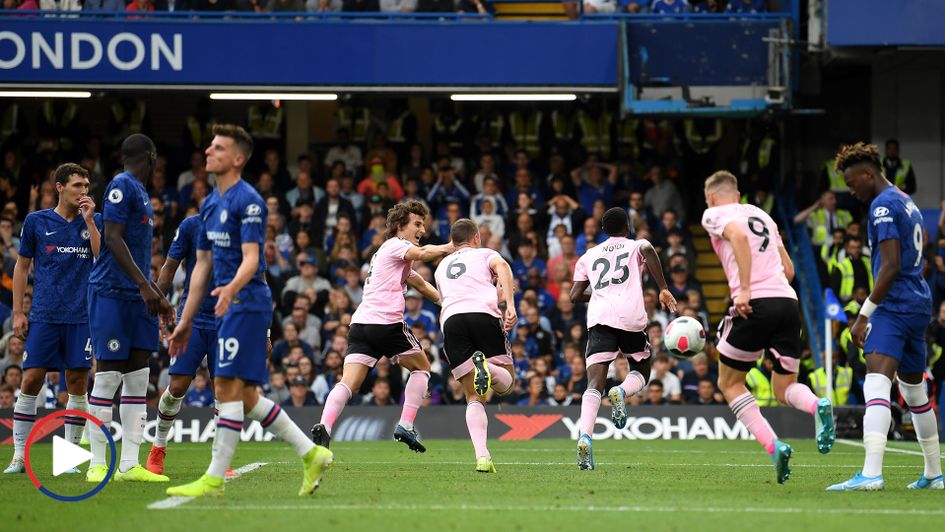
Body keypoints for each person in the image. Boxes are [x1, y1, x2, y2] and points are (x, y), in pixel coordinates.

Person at [165, 124, 332, 498]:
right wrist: (185, 320)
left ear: (237, 159)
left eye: (219, 148)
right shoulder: (208, 205)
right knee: (246, 397)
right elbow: (202, 268)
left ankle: (213, 477)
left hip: (247, 302)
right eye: (210, 145)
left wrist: (232, 290)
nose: (209, 151)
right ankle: (311, 453)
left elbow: (252, 259)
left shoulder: (249, 201)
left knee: (225, 387)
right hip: (226, 303)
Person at [702, 170, 834, 485]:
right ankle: (817, 404)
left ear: (711, 197)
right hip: (787, 303)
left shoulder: (714, 214)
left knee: (730, 382)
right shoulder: (762, 215)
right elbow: (788, 269)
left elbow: (736, 236)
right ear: (738, 193)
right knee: (784, 388)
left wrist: (745, 288)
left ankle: (773, 445)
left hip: (754, 304)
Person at [827, 143, 942, 491]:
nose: (851, 191)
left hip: (893, 306)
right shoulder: (906, 200)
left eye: (851, 183)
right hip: (918, 302)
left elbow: (890, 266)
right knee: (914, 391)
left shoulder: (882, 207)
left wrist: (863, 316)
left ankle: (872, 473)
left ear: (867, 174)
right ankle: (934, 474)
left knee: (876, 382)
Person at [312, 200, 453, 453]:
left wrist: (448, 303)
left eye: (423, 224)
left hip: (361, 326)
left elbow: (421, 284)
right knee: (422, 368)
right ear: (400, 227)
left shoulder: (386, 255)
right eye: (417, 224)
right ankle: (406, 424)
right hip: (386, 324)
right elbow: (422, 255)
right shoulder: (397, 246)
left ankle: (325, 425)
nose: (422, 229)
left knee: (349, 383)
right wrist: (452, 247)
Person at [86, 135, 175, 484]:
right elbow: (111, 237)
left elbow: (136, 255)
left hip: (138, 296)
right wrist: (143, 286)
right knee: (108, 376)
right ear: (151, 157)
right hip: (111, 293)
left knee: (139, 377)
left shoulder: (141, 193)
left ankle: (129, 466)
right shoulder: (121, 185)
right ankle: (96, 463)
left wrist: (156, 293)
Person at [5, 163, 101, 475]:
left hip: (81, 316)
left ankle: (69, 460)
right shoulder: (36, 221)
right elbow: (21, 267)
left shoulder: (93, 221)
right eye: (77, 185)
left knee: (77, 384)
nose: (83, 191)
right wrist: (19, 311)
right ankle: (19, 456)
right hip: (45, 315)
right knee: (31, 379)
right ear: (59, 187)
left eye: (86, 186)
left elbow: (101, 260)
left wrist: (90, 222)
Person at [569, 207, 677, 470]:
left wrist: (599, 295)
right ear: (627, 227)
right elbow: (649, 250)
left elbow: (574, 296)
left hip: (599, 318)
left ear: (603, 231)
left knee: (594, 381)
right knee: (641, 367)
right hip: (630, 316)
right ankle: (620, 391)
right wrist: (662, 288)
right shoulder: (635, 245)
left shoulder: (588, 255)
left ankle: (585, 436)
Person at [145, 213, 230, 477]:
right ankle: (158, 447)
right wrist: (157, 305)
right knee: (177, 386)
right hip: (192, 318)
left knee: (224, 391)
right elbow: (169, 267)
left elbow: (258, 277)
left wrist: (265, 330)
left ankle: (220, 460)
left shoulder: (244, 226)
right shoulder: (192, 225)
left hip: (229, 320)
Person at [433, 218, 517, 473]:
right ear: (476, 238)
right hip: (483, 315)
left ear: (452, 242)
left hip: (452, 321)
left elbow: (450, 296)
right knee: (507, 385)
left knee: (473, 397)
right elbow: (502, 266)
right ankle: (489, 370)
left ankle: (482, 457)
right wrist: (510, 305)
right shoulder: (485, 254)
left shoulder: (441, 266)